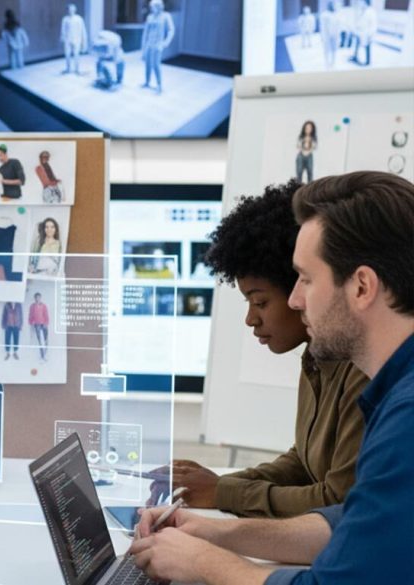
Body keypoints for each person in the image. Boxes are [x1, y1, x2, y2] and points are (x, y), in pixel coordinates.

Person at [130, 171, 414, 584]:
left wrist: (203, 563)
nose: (297, 299)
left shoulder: (406, 418)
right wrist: (215, 531)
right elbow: (348, 520)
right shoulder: (394, 392)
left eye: (306, 279)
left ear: (362, 287)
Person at [155, 181, 367, 517]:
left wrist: (225, 492)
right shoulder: (317, 357)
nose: (251, 319)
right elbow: (305, 462)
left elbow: (338, 501)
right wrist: (217, 485)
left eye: (260, 301)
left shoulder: (363, 369)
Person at [140, 0, 175, 95]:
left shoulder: (166, 16)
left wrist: (166, 42)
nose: (151, 9)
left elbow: (171, 30)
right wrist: (143, 46)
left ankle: (159, 85)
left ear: (159, 6)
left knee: (156, 65)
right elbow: (145, 32)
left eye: (153, 7)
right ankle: (147, 82)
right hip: (149, 44)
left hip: (158, 44)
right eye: (151, 7)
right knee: (147, 64)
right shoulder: (150, 17)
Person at [60, 3, 88, 75]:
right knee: (67, 54)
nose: (71, 11)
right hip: (67, 39)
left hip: (77, 39)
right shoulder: (65, 19)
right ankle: (68, 68)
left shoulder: (79, 19)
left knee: (76, 55)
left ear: (75, 10)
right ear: (68, 10)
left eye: (72, 9)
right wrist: (62, 37)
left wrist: (83, 41)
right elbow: (63, 30)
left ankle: (77, 69)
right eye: (69, 9)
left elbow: (83, 30)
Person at [350, 0, 376, 66]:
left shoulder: (371, 11)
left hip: (367, 33)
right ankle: (355, 56)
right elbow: (360, 21)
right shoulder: (363, 10)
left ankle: (367, 61)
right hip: (361, 32)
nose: (361, 4)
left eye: (362, 2)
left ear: (366, 3)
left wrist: (370, 34)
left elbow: (373, 24)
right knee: (357, 45)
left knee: (367, 47)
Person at [28, 292, 50, 361]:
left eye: (39, 297)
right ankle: (42, 356)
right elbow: (30, 315)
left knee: (45, 340)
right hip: (37, 325)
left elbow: (46, 315)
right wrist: (31, 322)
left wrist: (46, 323)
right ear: (35, 298)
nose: (38, 299)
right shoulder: (32, 306)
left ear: (40, 298)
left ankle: (45, 353)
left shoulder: (44, 306)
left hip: (44, 325)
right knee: (40, 341)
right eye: (36, 297)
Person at [318, 1, 341, 69]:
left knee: (334, 49)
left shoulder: (336, 14)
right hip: (327, 35)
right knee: (326, 50)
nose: (334, 6)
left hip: (335, 35)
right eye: (332, 5)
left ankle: (333, 62)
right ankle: (327, 63)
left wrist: (338, 35)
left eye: (334, 5)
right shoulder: (324, 14)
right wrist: (322, 36)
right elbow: (322, 26)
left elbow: (338, 25)